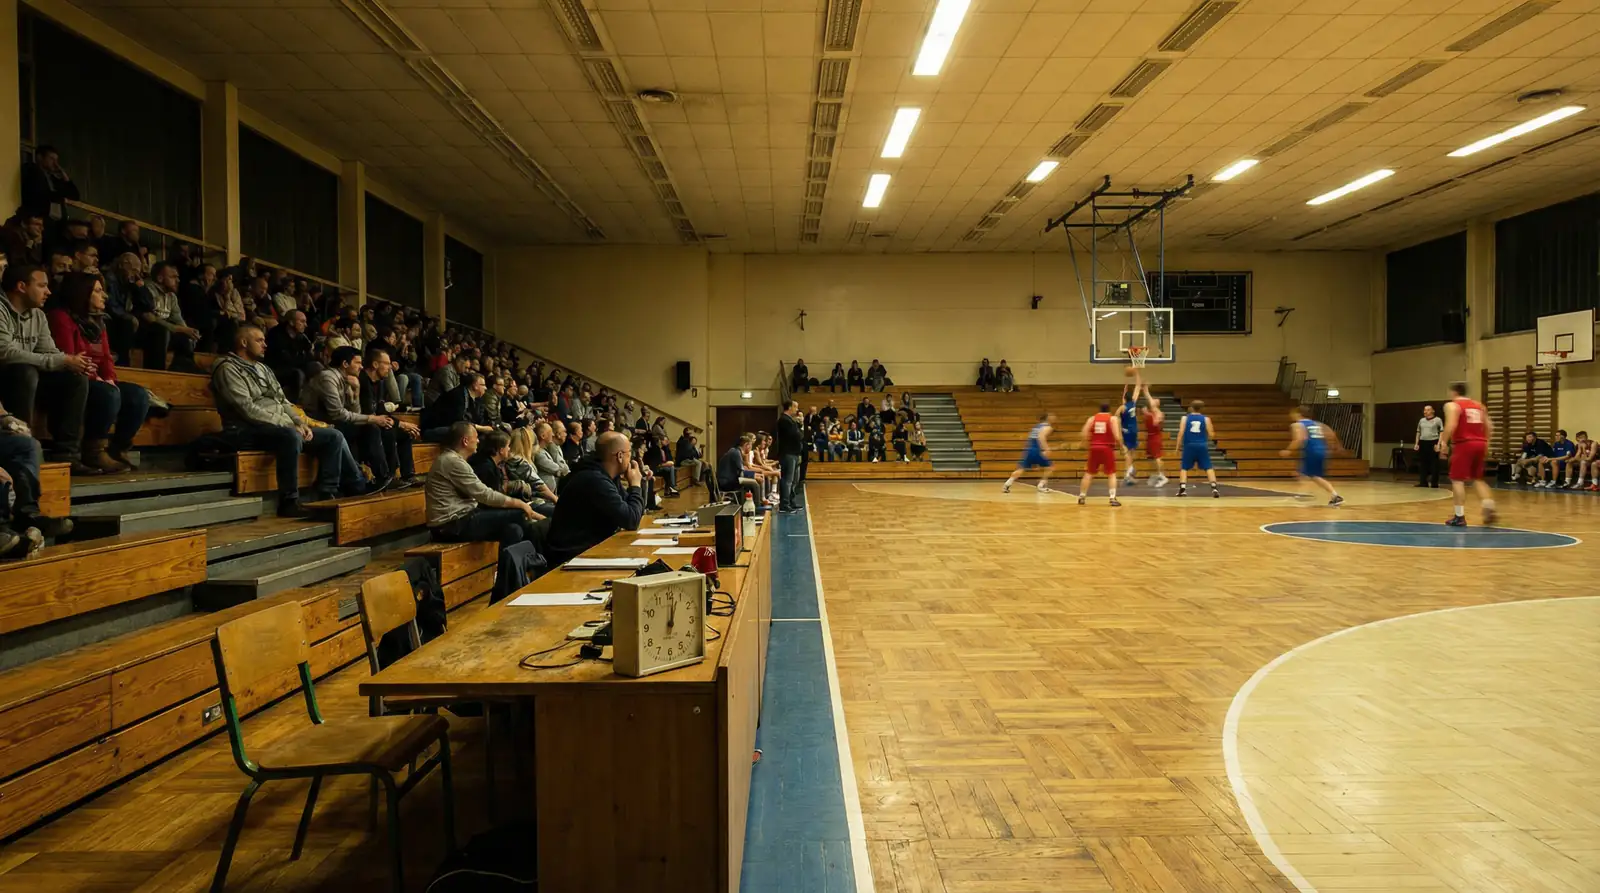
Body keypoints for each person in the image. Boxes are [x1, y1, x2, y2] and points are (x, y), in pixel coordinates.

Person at [211, 325, 368, 517]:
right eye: (259, 340)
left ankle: (326, 492)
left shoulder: (263, 368)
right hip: (244, 429)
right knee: (291, 436)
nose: (265, 344)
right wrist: (289, 425)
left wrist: (298, 421)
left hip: (278, 426)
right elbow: (246, 409)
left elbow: (283, 401)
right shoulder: (227, 367)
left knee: (333, 436)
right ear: (244, 342)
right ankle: (289, 501)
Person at [46, 272, 152, 472]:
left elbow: (106, 359)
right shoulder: (60, 317)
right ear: (82, 294)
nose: (104, 296)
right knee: (108, 393)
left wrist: (109, 378)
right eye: (97, 291)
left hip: (96, 378)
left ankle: (117, 449)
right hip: (73, 379)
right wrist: (99, 379)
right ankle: (93, 452)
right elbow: (70, 357)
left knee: (138, 395)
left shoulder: (99, 322)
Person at [0, 265, 95, 472]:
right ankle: (21, 449)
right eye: (42, 285)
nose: (48, 292)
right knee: (24, 371)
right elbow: (5, 352)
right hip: (6, 379)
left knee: (75, 379)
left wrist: (71, 361)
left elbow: (49, 351)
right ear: (21, 286)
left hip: (30, 378)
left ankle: (68, 453)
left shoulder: (38, 315)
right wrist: (60, 360)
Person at [426, 421, 540, 545]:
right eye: (475, 438)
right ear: (465, 441)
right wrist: (519, 503)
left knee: (513, 530)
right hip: (450, 525)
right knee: (520, 514)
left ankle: (514, 563)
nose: (478, 441)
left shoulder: (454, 460)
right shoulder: (452, 462)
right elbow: (484, 494)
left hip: (461, 519)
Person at [543, 430, 646, 566]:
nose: (631, 459)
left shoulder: (605, 476)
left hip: (589, 549)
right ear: (620, 456)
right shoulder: (595, 480)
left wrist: (639, 483)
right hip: (572, 556)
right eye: (629, 453)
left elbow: (635, 512)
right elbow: (631, 519)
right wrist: (636, 485)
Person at [356, 345, 421, 487]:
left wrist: (403, 425)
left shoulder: (380, 383)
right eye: (386, 363)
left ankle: (408, 475)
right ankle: (386, 477)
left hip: (375, 421)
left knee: (405, 433)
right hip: (360, 425)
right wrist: (399, 423)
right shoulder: (362, 381)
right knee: (387, 429)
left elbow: (381, 411)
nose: (390, 367)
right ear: (375, 364)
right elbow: (368, 413)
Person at [1438, 381, 1496, 527]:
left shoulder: (1452, 405)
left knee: (1457, 479)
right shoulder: (1479, 406)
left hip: (1464, 443)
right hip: (1480, 442)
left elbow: (1451, 425)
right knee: (1478, 478)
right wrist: (1486, 443)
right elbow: (1489, 426)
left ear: (1454, 392)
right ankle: (1489, 505)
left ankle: (1459, 516)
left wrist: (1443, 442)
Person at [133, 262, 201, 373]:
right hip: (144, 333)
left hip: (165, 334)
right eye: (173, 277)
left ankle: (183, 372)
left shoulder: (171, 296)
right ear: (160, 278)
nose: (178, 280)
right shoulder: (147, 290)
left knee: (184, 338)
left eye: (177, 277)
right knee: (161, 331)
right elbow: (149, 318)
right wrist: (180, 329)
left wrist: (189, 333)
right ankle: (157, 374)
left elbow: (178, 320)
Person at [1280, 407, 1344, 506]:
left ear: (1298, 414)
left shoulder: (1297, 424)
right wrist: (1336, 446)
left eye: (1293, 413)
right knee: (1306, 473)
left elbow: (1299, 439)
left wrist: (1288, 450)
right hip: (1322, 450)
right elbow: (1331, 434)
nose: (1291, 415)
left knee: (1311, 475)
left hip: (1311, 451)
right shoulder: (1318, 424)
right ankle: (1331, 495)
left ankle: (1334, 495)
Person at [1073, 403, 1121, 506]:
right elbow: (1117, 436)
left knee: (1089, 473)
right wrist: (1121, 446)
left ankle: (1082, 496)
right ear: (1109, 410)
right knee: (1111, 474)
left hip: (1094, 447)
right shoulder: (1112, 419)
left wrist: (1085, 443)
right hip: (1107, 448)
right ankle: (1112, 498)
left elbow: (1084, 433)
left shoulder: (1092, 419)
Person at [420, 371, 491, 442]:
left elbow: (479, 419)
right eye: (483, 385)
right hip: (434, 429)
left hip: (455, 428)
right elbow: (458, 423)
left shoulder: (477, 400)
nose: (485, 388)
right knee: (463, 433)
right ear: (475, 386)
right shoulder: (458, 395)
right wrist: (481, 428)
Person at [506, 427, 560, 514]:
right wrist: (556, 500)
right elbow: (540, 487)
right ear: (527, 443)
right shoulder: (518, 462)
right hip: (530, 503)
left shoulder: (512, 459)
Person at [265, 309, 315, 399]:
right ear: (291, 322)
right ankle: (295, 404)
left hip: (295, 365)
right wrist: (302, 357)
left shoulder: (301, 335)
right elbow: (285, 360)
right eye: (302, 321)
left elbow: (310, 355)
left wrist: (303, 357)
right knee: (298, 374)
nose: (306, 325)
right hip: (275, 369)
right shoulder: (276, 334)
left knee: (317, 366)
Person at [1002, 412, 1056, 494]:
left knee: (1021, 469)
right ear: (1048, 418)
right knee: (1050, 467)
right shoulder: (1047, 427)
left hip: (1029, 449)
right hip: (1036, 450)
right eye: (1052, 416)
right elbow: (1041, 437)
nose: (1054, 417)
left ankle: (1007, 484)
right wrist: (1046, 448)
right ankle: (1041, 486)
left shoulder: (1037, 426)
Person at [1176, 400, 1220, 498]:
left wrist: (1177, 446)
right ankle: (1214, 488)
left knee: (1184, 467)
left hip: (1189, 445)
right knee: (1208, 467)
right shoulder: (1206, 419)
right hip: (1202, 445)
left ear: (1191, 407)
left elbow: (1181, 433)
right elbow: (1212, 434)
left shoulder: (1185, 418)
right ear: (1202, 408)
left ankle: (1182, 489)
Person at [20, 146, 79, 217]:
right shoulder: (31, 170)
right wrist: (58, 196)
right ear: (40, 157)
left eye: (56, 160)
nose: (55, 163)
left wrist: (65, 177)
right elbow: (39, 194)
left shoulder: (53, 178)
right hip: (38, 219)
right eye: (51, 159)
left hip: (55, 222)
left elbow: (75, 196)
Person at [777, 399, 805, 513]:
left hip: (794, 453)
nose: (797, 410)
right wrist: (799, 425)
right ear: (789, 407)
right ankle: (784, 504)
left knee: (793, 480)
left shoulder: (790, 421)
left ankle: (791, 501)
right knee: (787, 480)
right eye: (795, 407)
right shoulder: (784, 420)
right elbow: (798, 436)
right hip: (788, 453)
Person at [717, 433, 760, 501]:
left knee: (752, 481)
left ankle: (747, 503)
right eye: (750, 445)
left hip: (726, 480)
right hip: (727, 483)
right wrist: (754, 476)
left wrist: (754, 475)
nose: (751, 448)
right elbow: (741, 473)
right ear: (746, 445)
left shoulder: (734, 451)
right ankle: (757, 507)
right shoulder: (736, 453)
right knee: (754, 484)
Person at [1141, 383, 1168, 487]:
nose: (1154, 400)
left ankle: (1163, 476)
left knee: (1157, 457)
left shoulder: (1158, 413)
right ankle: (1158, 474)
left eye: (1156, 400)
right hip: (1151, 436)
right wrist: (1145, 389)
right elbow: (1149, 398)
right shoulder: (1151, 412)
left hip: (1155, 436)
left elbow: (1156, 422)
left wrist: (1146, 390)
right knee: (1152, 457)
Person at [533, 420, 569, 493]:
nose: (553, 435)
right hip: (544, 494)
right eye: (550, 432)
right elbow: (558, 470)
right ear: (543, 436)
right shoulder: (539, 454)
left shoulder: (545, 450)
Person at [1118, 376, 1141, 487]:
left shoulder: (1122, 408)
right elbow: (1137, 388)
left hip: (1126, 431)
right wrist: (1137, 375)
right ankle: (1130, 471)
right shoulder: (1133, 403)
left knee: (1126, 453)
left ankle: (1128, 474)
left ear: (1124, 399)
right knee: (1132, 452)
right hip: (1134, 430)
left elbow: (1115, 418)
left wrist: (1120, 428)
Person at [1414, 404, 1443, 488]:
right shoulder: (1421, 420)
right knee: (1423, 463)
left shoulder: (1438, 420)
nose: (1425, 412)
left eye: (1428, 410)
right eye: (1424, 410)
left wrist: (1439, 444)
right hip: (1423, 442)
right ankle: (1423, 482)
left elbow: (1441, 432)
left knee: (1434, 463)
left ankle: (1434, 483)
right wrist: (1416, 443)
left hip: (1433, 442)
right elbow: (1418, 432)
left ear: (1433, 411)